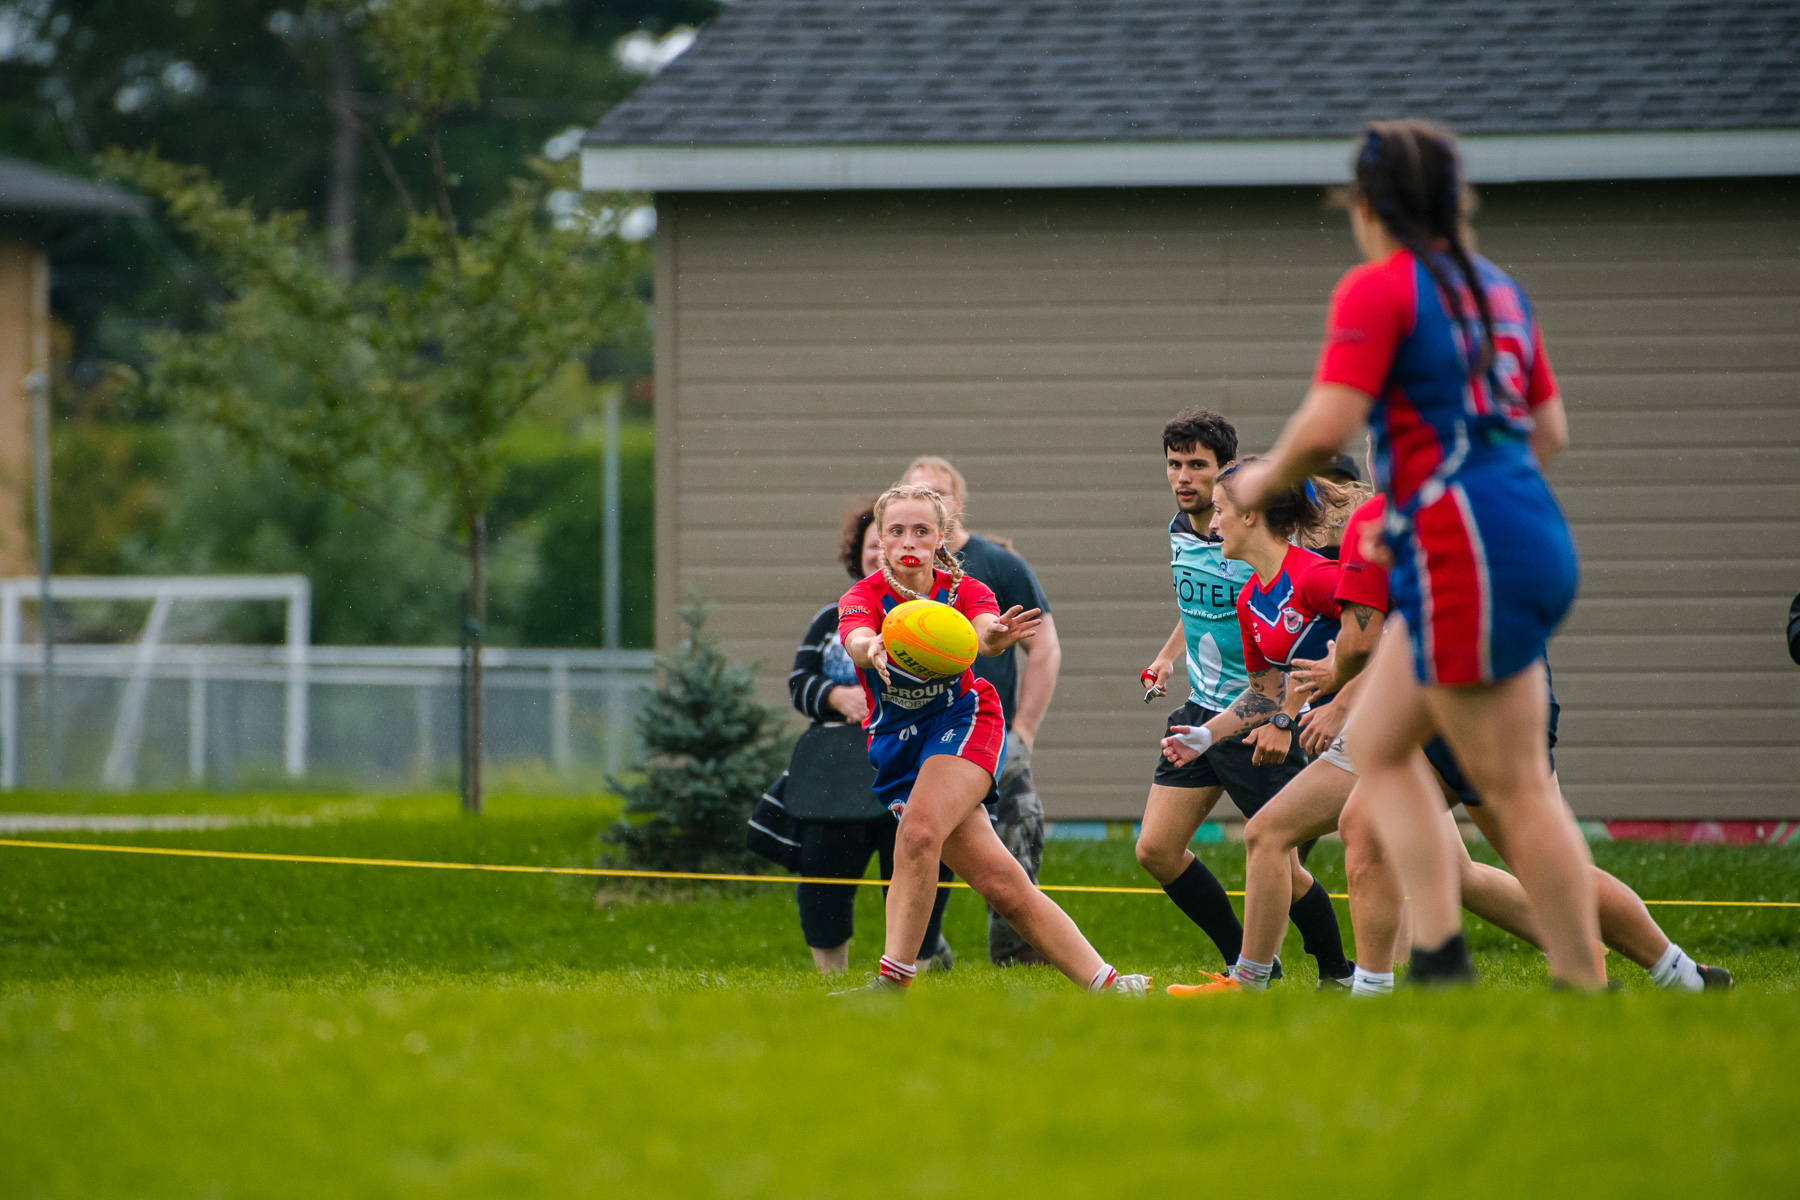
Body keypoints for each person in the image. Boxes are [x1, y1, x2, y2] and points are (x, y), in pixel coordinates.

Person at [1229, 118, 1603, 988]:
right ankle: (1439, 956)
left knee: (1514, 793)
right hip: (1524, 536)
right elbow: (1549, 431)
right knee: (1382, 746)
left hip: (1466, 553)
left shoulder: (1381, 286)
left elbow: (1327, 425)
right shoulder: (1499, 291)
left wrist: (1259, 484)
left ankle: (1581, 980)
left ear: (1365, 205)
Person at [1207, 489, 1731, 994]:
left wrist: (1338, 691)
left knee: (1507, 857)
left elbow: (1366, 641)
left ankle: (1650, 971)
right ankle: (1375, 989)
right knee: (1369, 832)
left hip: (1465, 698)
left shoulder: (1376, 524)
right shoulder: (1482, 502)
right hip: (1492, 689)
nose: (1212, 520)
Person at [833, 484, 1150, 995]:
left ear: (941, 539)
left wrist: (994, 637)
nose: (908, 540)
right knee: (1004, 886)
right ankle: (1109, 983)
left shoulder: (965, 590)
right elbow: (856, 639)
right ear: (881, 540)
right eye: (896, 531)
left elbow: (982, 630)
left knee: (915, 834)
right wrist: (873, 647)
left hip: (965, 721)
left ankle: (891, 984)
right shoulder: (862, 597)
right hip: (896, 743)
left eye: (921, 530)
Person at [1134, 410, 1351, 985]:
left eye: (1196, 466)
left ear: (1229, 475)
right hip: (1211, 710)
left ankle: (1336, 969)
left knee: (1279, 859)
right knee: (1155, 849)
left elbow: (1329, 635)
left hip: (1262, 722)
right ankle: (1249, 963)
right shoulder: (1185, 530)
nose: (1182, 477)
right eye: (1173, 465)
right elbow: (1204, 607)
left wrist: (1285, 718)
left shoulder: (1269, 549)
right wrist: (1166, 657)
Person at [770, 499, 952, 975]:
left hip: (910, 759)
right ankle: (831, 972)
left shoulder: (938, 614)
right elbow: (798, 681)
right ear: (862, 552)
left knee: (916, 862)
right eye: (876, 543)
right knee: (825, 874)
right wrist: (836, 696)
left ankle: (917, 969)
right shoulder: (833, 618)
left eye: (900, 539)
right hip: (836, 768)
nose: (884, 552)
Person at [900, 455, 1058, 966]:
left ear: (957, 504)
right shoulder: (899, 576)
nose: (928, 504)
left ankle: (1021, 962)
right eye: (915, 494)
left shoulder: (999, 565)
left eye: (937, 495)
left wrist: (1026, 731)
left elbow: (1045, 649)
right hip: (923, 742)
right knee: (922, 845)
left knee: (1014, 847)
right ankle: (927, 956)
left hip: (991, 740)